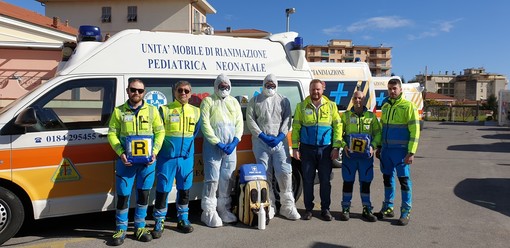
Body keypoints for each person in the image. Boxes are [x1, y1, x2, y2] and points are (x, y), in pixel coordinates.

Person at [107, 79, 165, 246]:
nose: (136, 93)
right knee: (123, 196)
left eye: (140, 91)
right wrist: (121, 152)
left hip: (147, 163)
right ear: (128, 90)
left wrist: (154, 152)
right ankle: (121, 229)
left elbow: (160, 133)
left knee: (143, 195)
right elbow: (112, 134)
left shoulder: (153, 111)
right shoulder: (119, 111)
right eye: (133, 90)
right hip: (126, 162)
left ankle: (140, 227)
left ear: (144, 92)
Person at [246, 74, 301, 220]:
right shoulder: (255, 101)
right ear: (263, 84)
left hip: (280, 143)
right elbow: (251, 121)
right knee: (264, 174)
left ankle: (288, 206)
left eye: (273, 85)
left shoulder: (283, 100)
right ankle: (269, 206)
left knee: (284, 172)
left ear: (276, 85)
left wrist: (281, 136)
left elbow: (287, 119)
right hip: (261, 143)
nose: (270, 87)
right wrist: (262, 136)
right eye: (268, 84)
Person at [151, 81, 201, 238]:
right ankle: (159, 220)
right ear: (174, 92)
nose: (183, 93)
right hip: (167, 158)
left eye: (187, 90)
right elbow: (157, 133)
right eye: (180, 90)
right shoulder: (164, 110)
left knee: (184, 189)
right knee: (163, 189)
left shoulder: (196, 111)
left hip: (186, 158)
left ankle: (183, 219)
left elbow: (196, 132)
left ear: (191, 93)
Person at [292, 79, 342, 221]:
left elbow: (338, 127)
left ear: (323, 89)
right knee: (307, 180)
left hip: (326, 149)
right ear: (309, 89)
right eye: (313, 89)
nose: (315, 92)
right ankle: (308, 209)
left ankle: (325, 209)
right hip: (307, 149)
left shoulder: (331, 106)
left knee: (325, 180)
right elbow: (296, 128)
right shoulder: (301, 106)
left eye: (318, 89)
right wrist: (295, 147)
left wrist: (336, 147)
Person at [374, 77, 420, 226]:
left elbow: (415, 131)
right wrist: (379, 147)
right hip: (387, 151)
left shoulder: (408, 107)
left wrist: (411, 152)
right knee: (387, 180)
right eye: (390, 89)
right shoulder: (385, 106)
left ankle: (405, 211)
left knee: (404, 182)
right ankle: (388, 207)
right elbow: (382, 129)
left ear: (400, 89)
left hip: (401, 153)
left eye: (395, 89)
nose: (392, 91)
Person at [200, 73, 243, 227]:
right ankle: (208, 212)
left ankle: (223, 209)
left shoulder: (234, 102)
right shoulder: (208, 101)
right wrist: (217, 142)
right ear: (216, 86)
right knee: (212, 179)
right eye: (221, 86)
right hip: (213, 148)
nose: (224, 88)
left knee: (228, 177)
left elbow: (239, 123)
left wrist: (235, 141)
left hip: (231, 148)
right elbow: (205, 124)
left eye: (226, 86)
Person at [338, 90, 381, 222]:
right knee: (348, 182)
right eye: (355, 98)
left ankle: (366, 209)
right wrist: (344, 145)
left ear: (364, 100)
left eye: (360, 98)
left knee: (366, 183)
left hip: (366, 158)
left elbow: (378, 133)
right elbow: (338, 133)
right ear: (352, 100)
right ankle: (346, 208)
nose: (358, 100)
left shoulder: (371, 116)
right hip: (349, 157)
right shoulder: (345, 116)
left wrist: (373, 145)